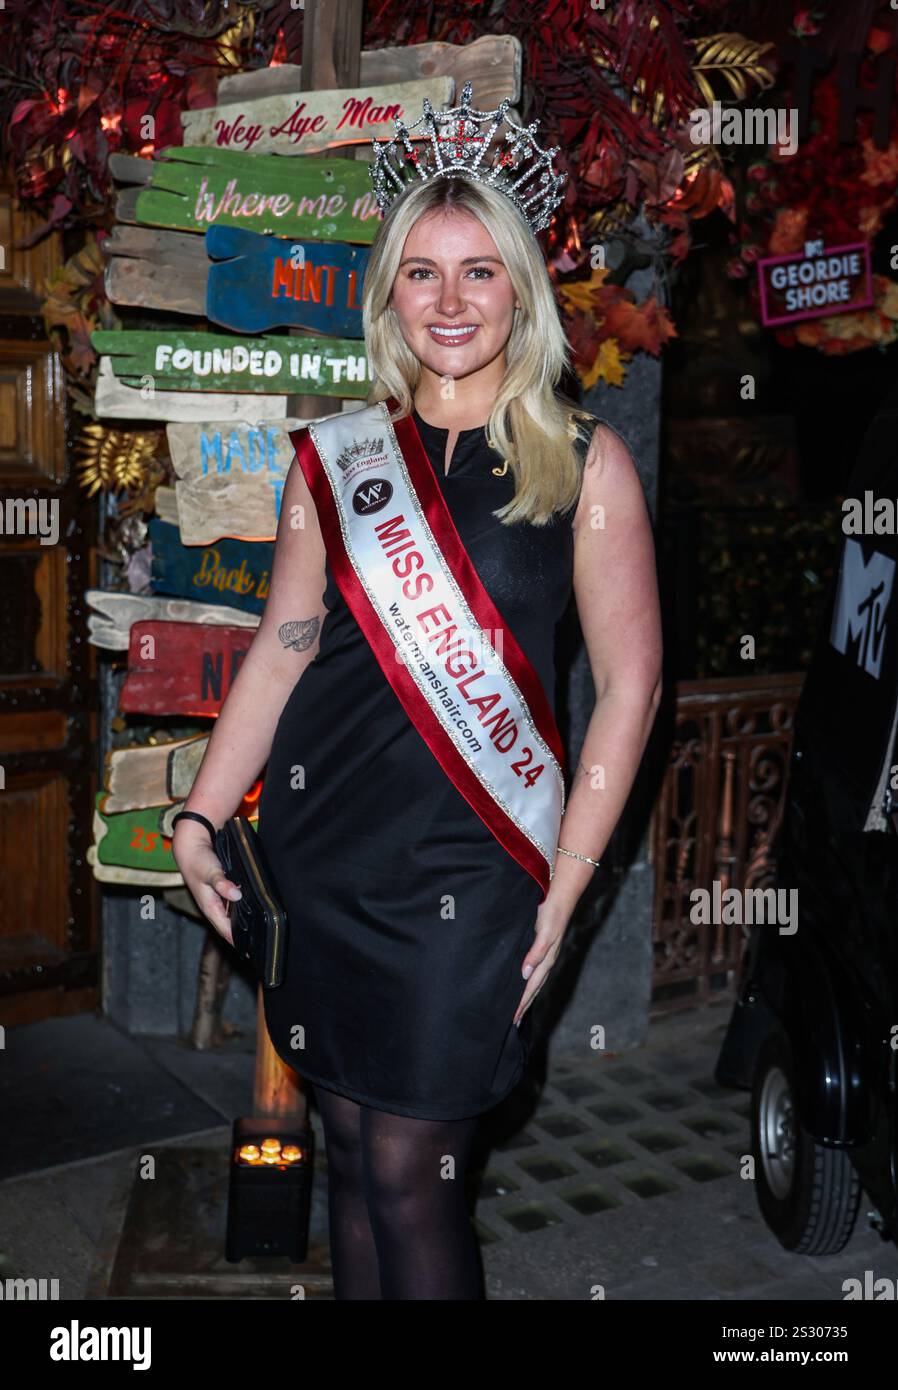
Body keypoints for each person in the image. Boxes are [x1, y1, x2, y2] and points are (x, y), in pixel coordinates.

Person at [172, 89, 662, 1301]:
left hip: (473, 867)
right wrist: (199, 812)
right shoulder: (337, 459)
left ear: (520, 291)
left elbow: (633, 682)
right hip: (322, 848)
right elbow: (284, 648)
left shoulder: (584, 458)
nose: (450, 302)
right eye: (423, 273)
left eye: (481, 273)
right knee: (345, 1152)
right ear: (388, 289)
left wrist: (571, 880)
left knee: (412, 1166)